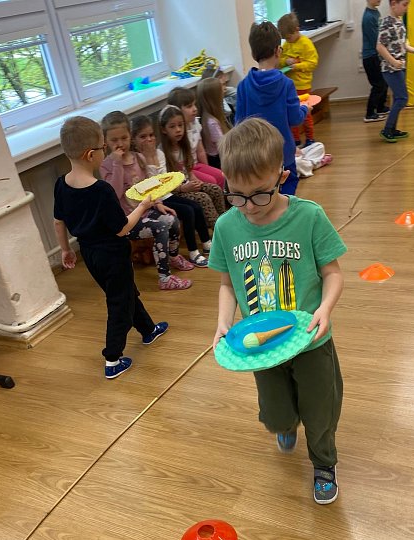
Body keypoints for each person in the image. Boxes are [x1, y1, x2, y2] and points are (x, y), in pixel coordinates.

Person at [209, 118, 346, 504]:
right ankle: (286, 424)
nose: (248, 207)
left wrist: (325, 308)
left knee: (320, 411)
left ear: (282, 177)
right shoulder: (226, 227)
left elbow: (333, 274)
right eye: (237, 196)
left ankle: (323, 462)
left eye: (259, 195)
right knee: (276, 415)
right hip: (259, 346)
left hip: (310, 338)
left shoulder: (309, 216)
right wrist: (223, 323)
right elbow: (226, 284)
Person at [53, 116, 168, 380]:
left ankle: (148, 330)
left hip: (90, 254)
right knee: (119, 304)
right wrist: (143, 206)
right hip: (113, 255)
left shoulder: (61, 184)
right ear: (90, 154)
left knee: (125, 293)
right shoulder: (101, 190)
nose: (105, 151)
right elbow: (122, 228)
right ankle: (112, 358)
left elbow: (58, 221)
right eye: (103, 147)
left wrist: (65, 250)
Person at [99, 111, 192, 289]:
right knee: (161, 226)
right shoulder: (106, 165)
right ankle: (164, 278)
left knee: (172, 219)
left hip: (146, 212)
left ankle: (173, 257)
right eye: (114, 140)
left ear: (130, 136)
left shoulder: (139, 158)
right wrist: (118, 164)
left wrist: (159, 203)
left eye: (124, 138)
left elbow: (150, 187)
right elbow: (114, 194)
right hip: (127, 221)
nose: (120, 144)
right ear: (105, 142)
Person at [235, 21, 309, 196]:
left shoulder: (243, 86)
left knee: (263, 193)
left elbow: (239, 124)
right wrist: (305, 109)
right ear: (278, 51)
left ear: (253, 53)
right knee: (287, 188)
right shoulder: (286, 84)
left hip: (256, 155)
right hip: (283, 153)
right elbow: (295, 118)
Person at [131, 114, 212, 266]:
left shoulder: (159, 154)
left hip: (166, 195)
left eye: (151, 135)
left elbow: (164, 180)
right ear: (133, 140)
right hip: (154, 201)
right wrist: (148, 158)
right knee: (187, 211)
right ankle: (193, 252)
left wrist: (154, 157)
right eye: (143, 136)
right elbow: (150, 185)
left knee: (195, 206)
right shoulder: (137, 160)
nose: (149, 140)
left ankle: (207, 244)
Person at [158, 104, 225, 228]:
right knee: (204, 198)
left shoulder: (184, 146)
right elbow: (165, 185)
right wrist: (183, 188)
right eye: (172, 126)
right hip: (176, 191)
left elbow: (189, 172)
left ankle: (224, 221)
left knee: (215, 189)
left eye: (180, 125)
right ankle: (217, 228)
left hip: (188, 184)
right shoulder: (162, 153)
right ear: (164, 129)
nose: (178, 130)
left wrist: (197, 182)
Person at [377, 0, 414, 142]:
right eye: (405, 4)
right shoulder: (387, 22)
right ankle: (387, 129)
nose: (407, 8)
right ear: (393, 4)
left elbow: (402, 42)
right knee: (402, 98)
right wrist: (393, 62)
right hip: (390, 68)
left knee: (398, 98)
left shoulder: (399, 20)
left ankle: (392, 129)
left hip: (399, 66)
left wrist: (413, 49)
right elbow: (380, 46)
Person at [167, 87, 225, 187]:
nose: (195, 109)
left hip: (196, 165)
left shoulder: (195, 124)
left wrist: (207, 169)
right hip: (185, 170)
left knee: (220, 175)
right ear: (177, 111)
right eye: (189, 106)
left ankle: (223, 196)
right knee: (211, 181)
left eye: (194, 104)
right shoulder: (177, 131)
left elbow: (200, 151)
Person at [277, 11, 319, 145]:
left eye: (289, 37)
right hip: (290, 85)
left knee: (305, 112)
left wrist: (297, 66)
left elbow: (312, 63)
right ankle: (295, 140)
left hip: (303, 85)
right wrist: (285, 61)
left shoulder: (306, 44)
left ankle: (310, 138)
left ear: (297, 30)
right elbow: (280, 60)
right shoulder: (286, 45)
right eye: (285, 38)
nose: (288, 40)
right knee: (291, 113)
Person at [361, 0, 390, 122]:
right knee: (378, 85)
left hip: (376, 55)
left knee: (384, 82)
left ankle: (380, 107)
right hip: (371, 57)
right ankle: (369, 114)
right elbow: (376, 41)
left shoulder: (375, 12)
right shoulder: (368, 17)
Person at [196, 77, 231, 168]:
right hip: (218, 161)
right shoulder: (211, 123)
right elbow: (223, 147)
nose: (224, 89)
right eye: (221, 89)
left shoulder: (211, 117)